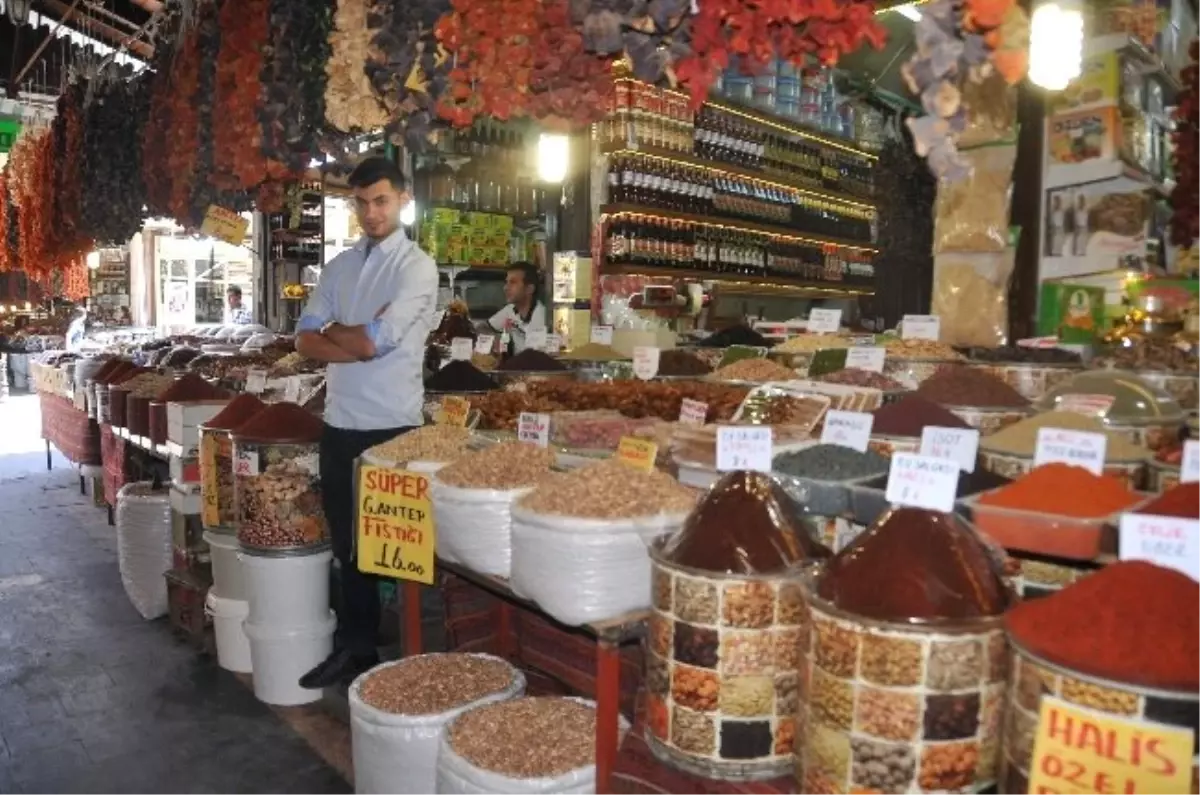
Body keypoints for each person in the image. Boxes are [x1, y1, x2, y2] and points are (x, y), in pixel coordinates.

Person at [293, 156, 438, 688]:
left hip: (395, 429)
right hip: (340, 424)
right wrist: (350, 337)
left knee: (398, 551)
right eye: (361, 202)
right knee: (350, 548)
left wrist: (340, 334)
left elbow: (378, 342)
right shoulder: (339, 267)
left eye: (380, 200)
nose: (371, 211)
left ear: (402, 198)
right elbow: (303, 340)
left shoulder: (416, 267)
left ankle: (411, 662)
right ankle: (357, 649)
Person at [485, 262, 546, 354]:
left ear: (529, 289)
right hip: (515, 365)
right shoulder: (510, 310)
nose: (505, 288)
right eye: (506, 282)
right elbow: (483, 327)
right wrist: (494, 339)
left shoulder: (542, 316)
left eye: (513, 282)